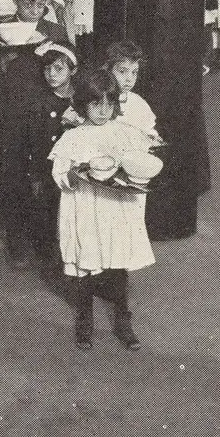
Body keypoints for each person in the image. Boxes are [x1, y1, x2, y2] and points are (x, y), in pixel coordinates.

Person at [49, 67, 158, 351]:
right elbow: (59, 172)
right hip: (85, 208)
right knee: (86, 263)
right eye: (96, 104)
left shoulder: (123, 133)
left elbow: (138, 161)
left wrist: (133, 171)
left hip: (115, 209)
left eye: (109, 104)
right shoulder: (72, 138)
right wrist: (72, 175)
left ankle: (122, 317)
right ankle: (85, 317)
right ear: (83, 104)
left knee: (117, 262)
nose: (103, 111)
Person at [1, 42, 77, 273]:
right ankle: (41, 251)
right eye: (47, 69)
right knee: (43, 207)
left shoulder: (80, 101)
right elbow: (33, 141)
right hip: (45, 166)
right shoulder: (39, 102)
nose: (51, 75)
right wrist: (35, 173)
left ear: (73, 71)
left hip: (73, 167)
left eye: (58, 69)